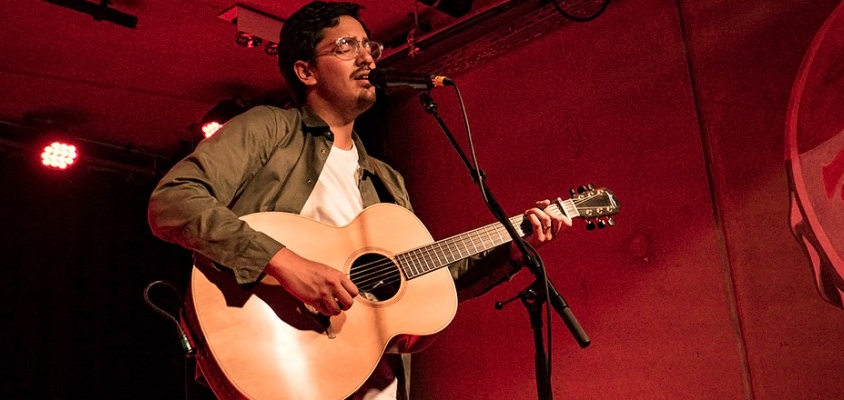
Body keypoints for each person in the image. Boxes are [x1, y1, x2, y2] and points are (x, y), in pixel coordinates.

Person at [146, 2, 570, 399]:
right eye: (347, 46)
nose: (368, 57)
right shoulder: (269, 129)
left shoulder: (386, 181)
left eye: (370, 45)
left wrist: (511, 251)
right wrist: (287, 264)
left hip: (373, 384)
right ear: (306, 71)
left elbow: (426, 281)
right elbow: (173, 201)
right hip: (282, 363)